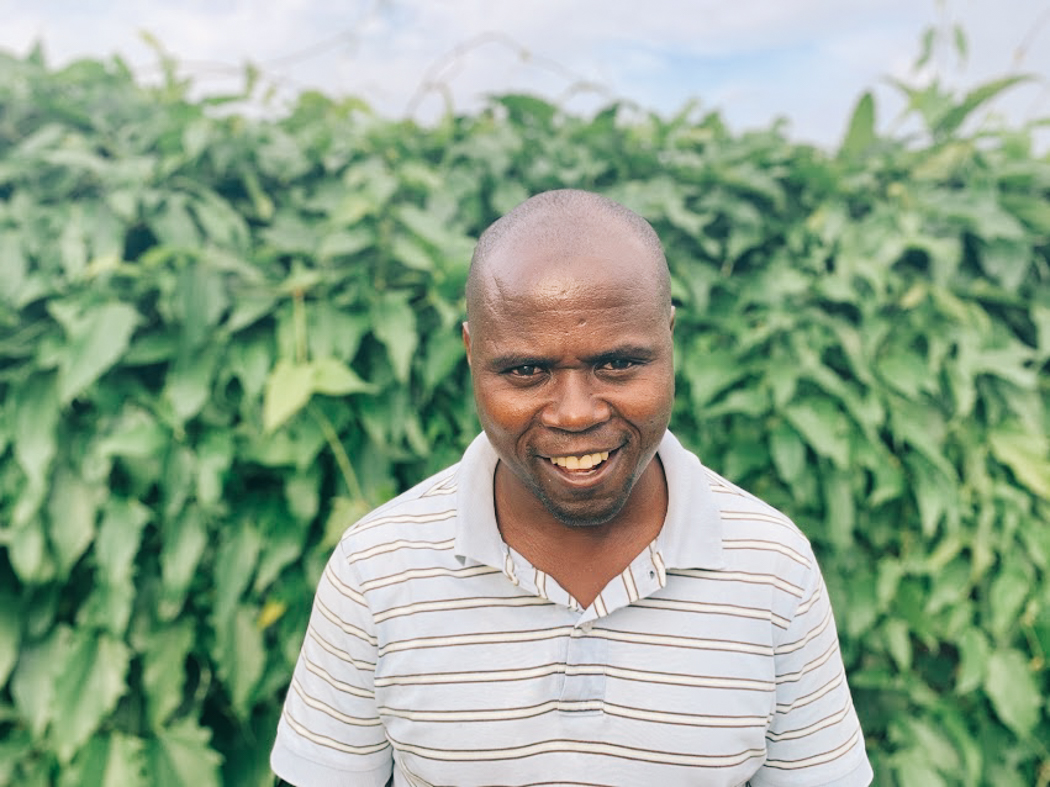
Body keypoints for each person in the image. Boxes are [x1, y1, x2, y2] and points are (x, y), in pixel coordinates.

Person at [270, 189, 873, 786]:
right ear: (472, 354)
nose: (576, 413)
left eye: (617, 364)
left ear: (668, 342)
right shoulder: (377, 568)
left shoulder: (772, 567)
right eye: (526, 371)